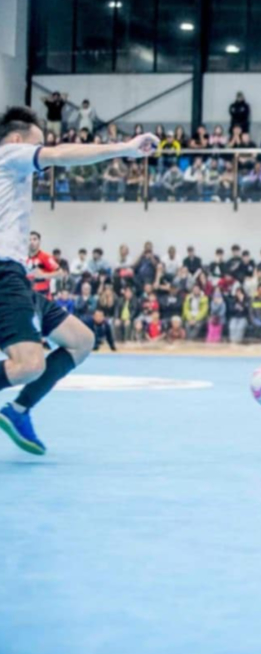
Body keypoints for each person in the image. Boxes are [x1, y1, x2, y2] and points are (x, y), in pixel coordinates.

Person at [0, 106, 157, 455]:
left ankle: (18, 409)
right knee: (28, 365)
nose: (42, 154)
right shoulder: (9, 155)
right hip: (3, 274)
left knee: (82, 340)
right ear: (16, 140)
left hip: (16, 277)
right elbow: (60, 155)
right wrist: (125, 148)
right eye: (36, 145)